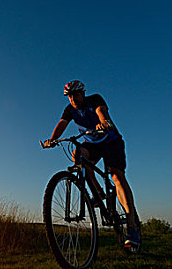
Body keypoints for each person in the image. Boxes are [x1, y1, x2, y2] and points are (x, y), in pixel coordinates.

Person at [43, 80, 141, 247]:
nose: (73, 99)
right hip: (92, 144)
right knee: (78, 155)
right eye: (69, 96)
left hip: (111, 141)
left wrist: (104, 122)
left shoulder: (94, 99)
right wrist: (52, 140)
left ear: (83, 93)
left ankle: (132, 224)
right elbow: (62, 124)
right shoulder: (69, 110)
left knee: (116, 176)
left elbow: (101, 111)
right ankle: (98, 193)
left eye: (75, 94)